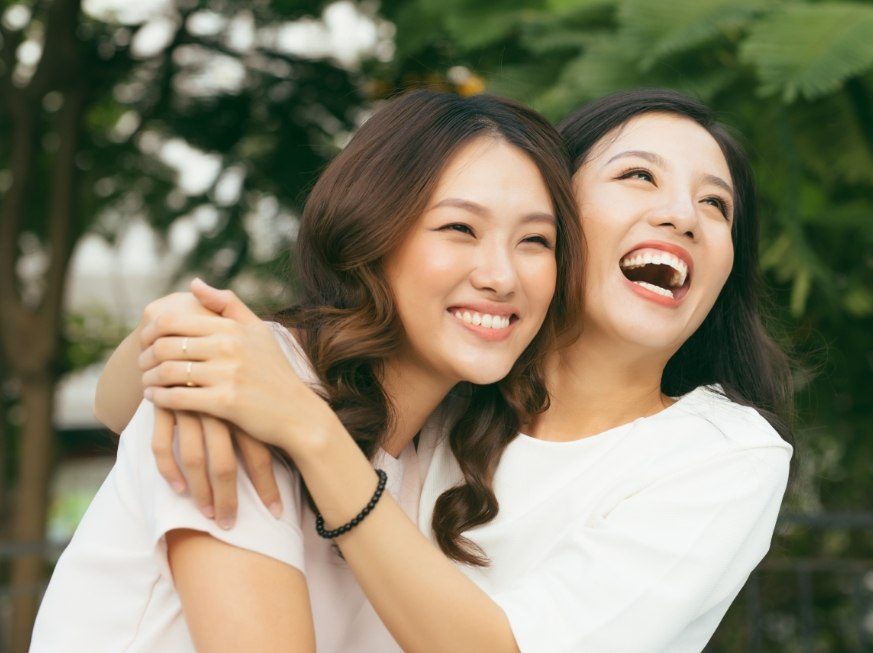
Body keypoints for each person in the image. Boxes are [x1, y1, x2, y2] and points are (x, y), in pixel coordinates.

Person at [90, 89, 793, 652]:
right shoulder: (437, 409)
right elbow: (119, 409)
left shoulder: (719, 454)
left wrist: (295, 420)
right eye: (638, 174)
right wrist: (179, 336)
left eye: (717, 204)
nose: (683, 215)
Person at [29, 89, 586, 652]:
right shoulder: (244, 381)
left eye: (535, 241)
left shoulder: (454, 448)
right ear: (373, 236)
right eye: (459, 229)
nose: (502, 275)